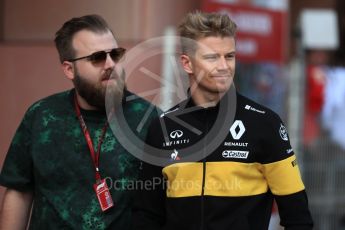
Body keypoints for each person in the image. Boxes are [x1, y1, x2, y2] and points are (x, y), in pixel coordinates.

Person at [133, 11, 314, 230]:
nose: (223, 66)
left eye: (229, 56)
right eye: (211, 57)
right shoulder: (162, 127)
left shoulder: (265, 124)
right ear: (187, 64)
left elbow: (298, 217)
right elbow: (147, 216)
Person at [0, 14, 158, 229]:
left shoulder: (149, 118)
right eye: (97, 57)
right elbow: (19, 191)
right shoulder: (42, 116)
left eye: (116, 54)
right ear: (69, 69)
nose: (110, 64)